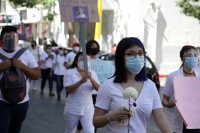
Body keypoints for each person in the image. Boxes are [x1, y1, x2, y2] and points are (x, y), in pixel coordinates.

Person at [93, 37, 172, 133]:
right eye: (131, 54)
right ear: (121, 58)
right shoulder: (108, 86)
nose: (137, 57)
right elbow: (96, 121)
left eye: (140, 53)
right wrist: (111, 116)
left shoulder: (150, 86)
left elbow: (160, 118)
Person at [0, 26, 40, 133]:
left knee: (15, 130)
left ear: (17, 39)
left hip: (22, 102)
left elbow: (36, 75)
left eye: (13, 37)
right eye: (7, 37)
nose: (11, 39)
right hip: (1, 102)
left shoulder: (26, 53)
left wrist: (23, 67)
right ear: (1, 39)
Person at [161, 45, 200, 133]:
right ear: (182, 58)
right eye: (189, 55)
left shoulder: (199, 78)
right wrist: (168, 104)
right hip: (176, 121)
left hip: (194, 122)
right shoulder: (172, 77)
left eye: (195, 55)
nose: (193, 58)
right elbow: (164, 100)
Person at [63, 52, 100, 133]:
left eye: (87, 60)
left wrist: (91, 78)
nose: (85, 62)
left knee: (90, 131)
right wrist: (81, 81)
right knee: (70, 130)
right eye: (82, 59)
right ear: (76, 61)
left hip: (88, 108)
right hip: (72, 108)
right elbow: (68, 90)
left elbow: (98, 89)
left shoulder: (92, 73)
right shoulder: (69, 72)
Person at [86, 40, 100, 133]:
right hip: (86, 90)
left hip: (97, 92)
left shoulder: (101, 61)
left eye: (96, 47)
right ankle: (80, 126)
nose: (94, 49)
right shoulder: (84, 60)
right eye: (92, 47)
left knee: (95, 113)